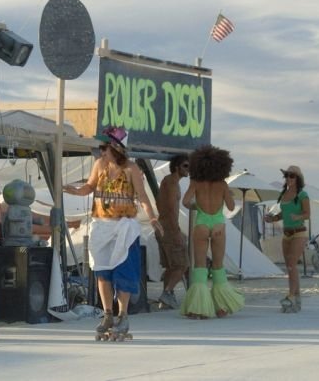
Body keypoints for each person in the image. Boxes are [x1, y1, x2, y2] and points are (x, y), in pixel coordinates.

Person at [63, 126, 164, 338]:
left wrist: (153, 218)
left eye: (103, 147)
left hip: (123, 227)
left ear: (116, 148)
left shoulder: (131, 169)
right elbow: (89, 187)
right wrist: (75, 191)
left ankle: (123, 315)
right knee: (102, 272)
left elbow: (143, 196)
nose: (100, 152)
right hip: (101, 225)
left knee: (123, 273)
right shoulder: (100, 164)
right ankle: (108, 313)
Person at [180, 145, 244, 319]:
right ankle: (221, 306)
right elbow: (231, 207)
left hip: (201, 223)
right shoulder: (222, 185)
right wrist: (228, 194)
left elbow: (185, 202)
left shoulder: (195, 183)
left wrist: (197, 206)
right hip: (218, 225)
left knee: (199, 266)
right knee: (218, 266)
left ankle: (198, 308)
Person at [264, 165, 310, 312]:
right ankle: (296, 298)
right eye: (287, 176)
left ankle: (291, 296)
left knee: (291, 264)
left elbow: (307, 214)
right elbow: (283, 214)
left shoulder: (302, 195)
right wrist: (273, 218)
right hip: (287, 233)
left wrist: (298, 216)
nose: (289, 178)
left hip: (299, 232)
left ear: (298, 178)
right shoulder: (284, 194)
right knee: (290, 267)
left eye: (292, 176)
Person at [155, 154, 190, 309]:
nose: (188, 169)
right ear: (177, 167)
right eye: (185, 166)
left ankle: (166, 299)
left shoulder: (170, 182)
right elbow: (169, 207)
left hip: (163, 226)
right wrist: (176, 231)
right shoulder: (171, 182)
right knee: (183, 265)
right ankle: (167, 292)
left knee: (171, 266)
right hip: (169, 227)